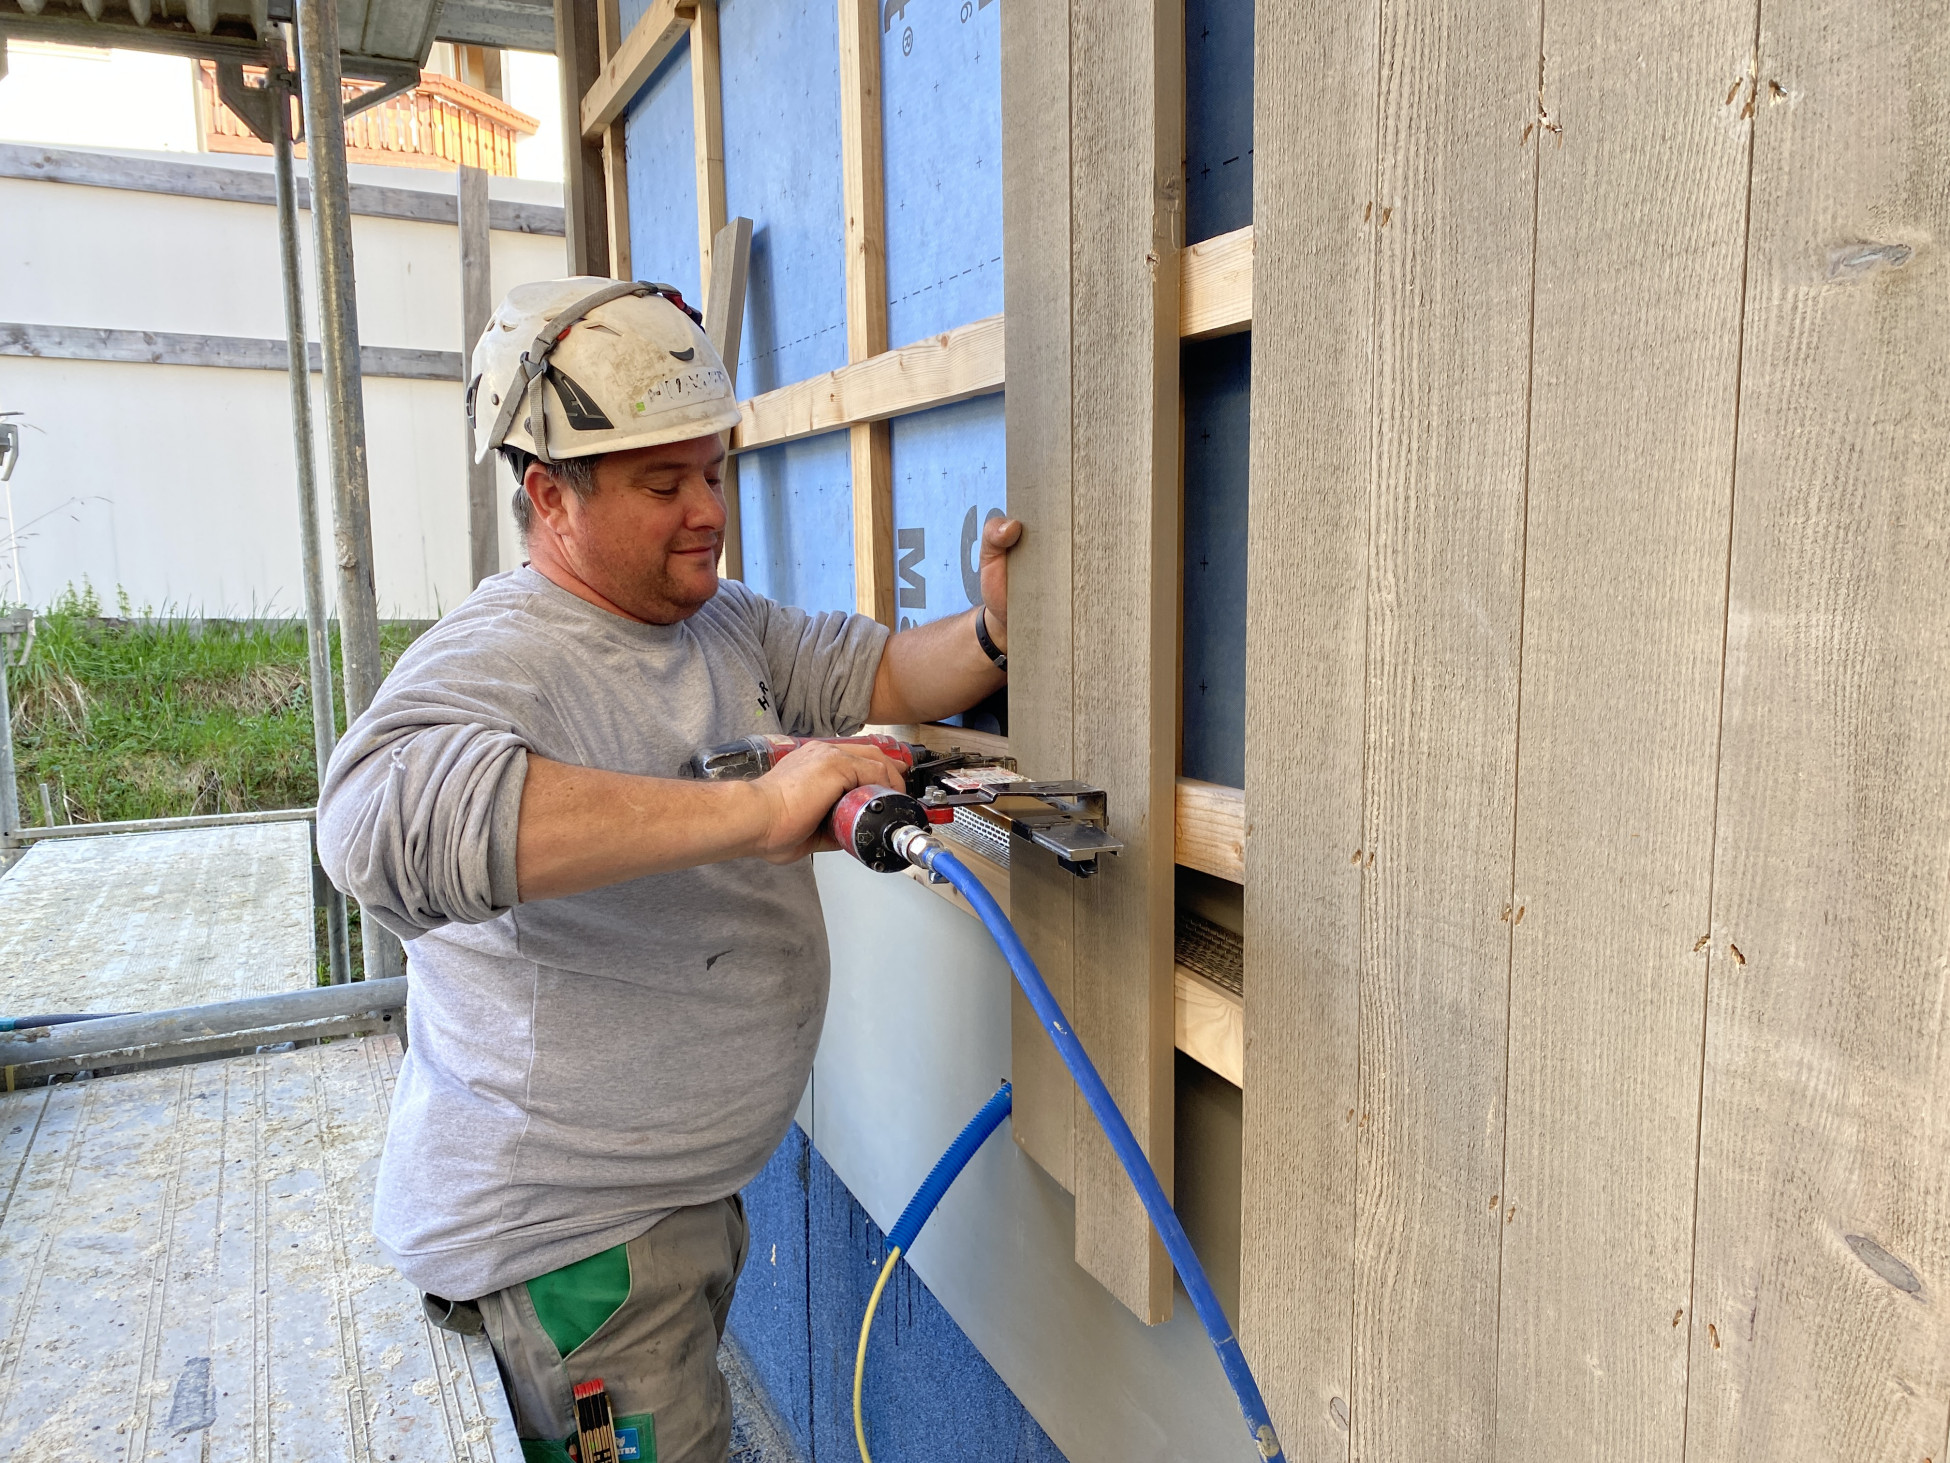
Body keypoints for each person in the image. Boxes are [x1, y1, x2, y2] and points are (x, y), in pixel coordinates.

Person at [317, 277, 1018, 1463]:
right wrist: (750, 812)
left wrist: (997, 631)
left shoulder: (720, 625)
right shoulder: (508, 654)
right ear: (551, 495)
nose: (707, 509)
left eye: (714, 470)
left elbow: (887, 672)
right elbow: (372, 827)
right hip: (574, 1247)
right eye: (663, 482)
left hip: (666, 1208)